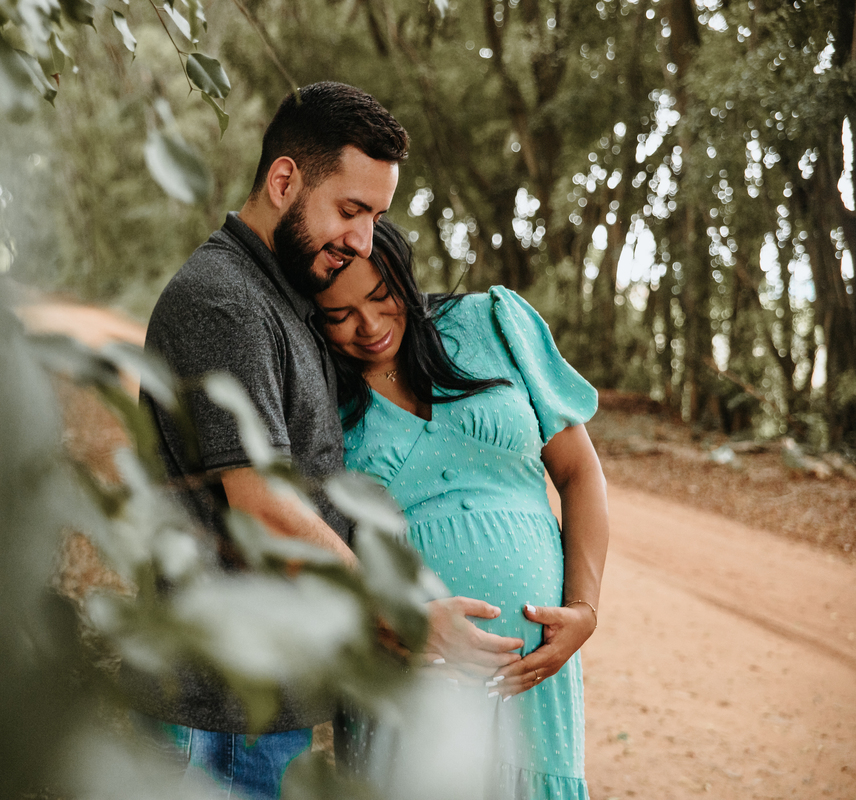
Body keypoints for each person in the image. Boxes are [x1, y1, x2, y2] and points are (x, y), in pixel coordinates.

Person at [132, 82, 523, 800]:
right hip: (207, 714)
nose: (364, 240)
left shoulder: (286, 300)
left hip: (260, 708)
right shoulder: (224, 301)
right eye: (351, 210)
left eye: (376, 216)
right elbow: (264, 508)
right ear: (284, 180)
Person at [314, 219, 609, 799]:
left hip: (534, 684)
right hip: (408, 677)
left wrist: (585, 609)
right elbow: (304, 545)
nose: (369, 326)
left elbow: (579, 473)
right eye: (339, 315)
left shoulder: (492, 323)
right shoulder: (318, 390)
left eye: (381, 297)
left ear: (404, 275)